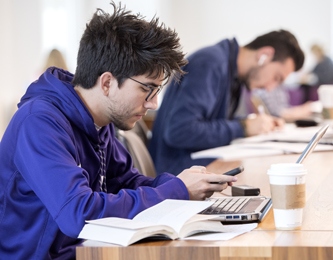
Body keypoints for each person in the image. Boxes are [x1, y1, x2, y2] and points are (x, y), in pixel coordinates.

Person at [0, 3, 236, 260]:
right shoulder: (40, 123)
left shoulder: (98, 121)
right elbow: (78, 214)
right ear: (107, 82)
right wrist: (178, 190)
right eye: (147, 89)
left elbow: (126, 182)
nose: (153, 103)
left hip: (90, 250)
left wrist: (185, 184)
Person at [149, 30, 305, 175]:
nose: (270, 88)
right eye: (276, 78)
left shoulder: (232, 73)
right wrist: (243, 127)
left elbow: (210, 122)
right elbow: (179, 131)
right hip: (177, 175)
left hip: (197, 168)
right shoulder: (211, 63)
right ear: (264, 55)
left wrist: (251, 124)